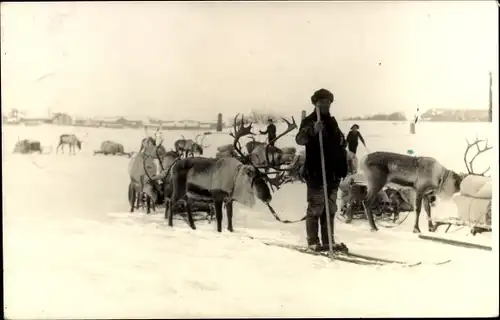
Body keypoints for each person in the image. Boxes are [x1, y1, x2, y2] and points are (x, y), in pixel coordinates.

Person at [295, 88, 348, 251]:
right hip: (317, 172)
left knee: (330, 209)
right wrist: (313, 131)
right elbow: (300, 139)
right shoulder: (310, 121)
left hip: (332, 173)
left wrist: (341, 143)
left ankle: (328, 240)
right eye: (322, 102)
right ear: (315, 103)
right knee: (316, 208)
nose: (325, 105)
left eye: (328, 102)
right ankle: (313, 241)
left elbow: (340, 143)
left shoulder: (332, 122)